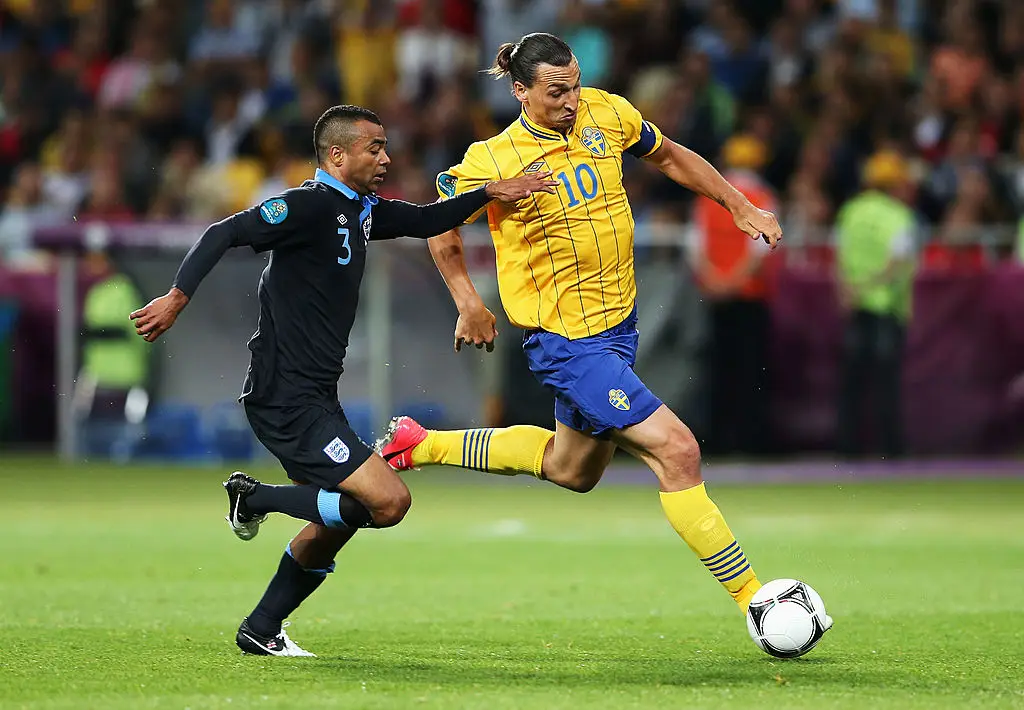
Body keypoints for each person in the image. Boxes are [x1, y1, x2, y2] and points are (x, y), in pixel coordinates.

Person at [378, 34, 784, 618]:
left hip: (618, 326)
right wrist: (468, 301)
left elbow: (669, 155)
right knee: (677, 450)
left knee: (573, 470)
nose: (571, 100)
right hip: (565, 339)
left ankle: (419, 444)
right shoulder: (490, 160)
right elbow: (441, 226)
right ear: (520, 92)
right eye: (556, 91)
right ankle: (758, 603)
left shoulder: (607, 112)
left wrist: (738, 204)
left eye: (574, 85)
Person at [129, 104, 556, 657]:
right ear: (337, 154)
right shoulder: (306, 206)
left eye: (385, 147)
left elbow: (427, 220)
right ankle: (255, 498)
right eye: (373, 148)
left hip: (314, 398)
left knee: (342, 516)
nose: (385, 157)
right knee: (389, 503)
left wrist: (492, 192)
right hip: (285, 399)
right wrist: (177, 297)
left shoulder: (363, 212)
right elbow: (223, 231)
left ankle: (261, 628)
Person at [692, 134, 777, 457]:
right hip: (748, 298)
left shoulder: (708, 198)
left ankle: (718, 440)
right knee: (750, 373)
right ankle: (749, 443)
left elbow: (696, 249)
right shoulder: (763, 196)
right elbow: (762, 251)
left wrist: (716, 283)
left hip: (716, 299)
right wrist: (733, 283)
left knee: (719, 371)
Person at [834, 150, 917, 459]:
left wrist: (846, 292)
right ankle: (890, 451)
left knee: (852, 384)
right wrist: (870, 287)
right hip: (886, 309)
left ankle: (847, 450)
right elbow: (898, 262)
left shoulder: (851, 212)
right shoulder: (899, 216)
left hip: (855, 308)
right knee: (886, 385)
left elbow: (839, 257)